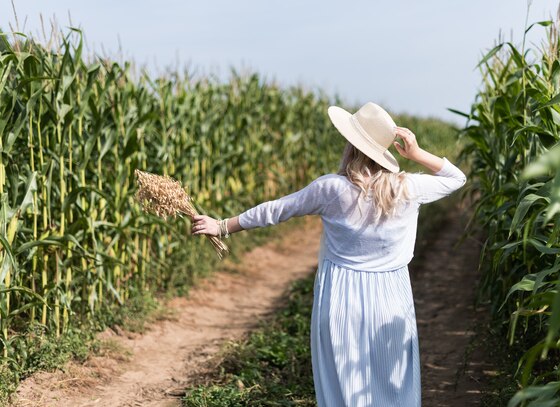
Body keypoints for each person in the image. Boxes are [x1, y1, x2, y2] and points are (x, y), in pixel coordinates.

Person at [191, 102, 466, 407]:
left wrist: (222, 226)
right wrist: (416, 154)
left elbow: (277, 210)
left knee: (344, 390)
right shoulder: (409, 188)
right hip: (391, 299)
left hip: (340, 297)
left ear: (353, 146)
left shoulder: (331, 189)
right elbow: (457, 179)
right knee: (393, 386)